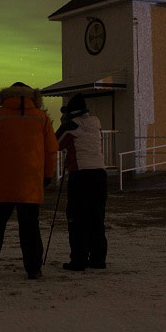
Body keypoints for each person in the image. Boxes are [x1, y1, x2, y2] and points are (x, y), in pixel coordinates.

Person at [0, 82, 59, 280]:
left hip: (1, 182)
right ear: (33, 97)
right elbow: (51, 151)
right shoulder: (41, 118)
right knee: (30, 228)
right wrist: (46, 175)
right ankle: (33, 269)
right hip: (30, 182)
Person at [55, 93, 108, 271]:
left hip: (81, 174)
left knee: (77, 218)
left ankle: (78, 260)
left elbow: (55, 143)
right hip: (99, 173)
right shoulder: (95, 123)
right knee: (96, 217)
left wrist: (63, 123)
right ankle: (98, 258)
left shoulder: (70, 125)